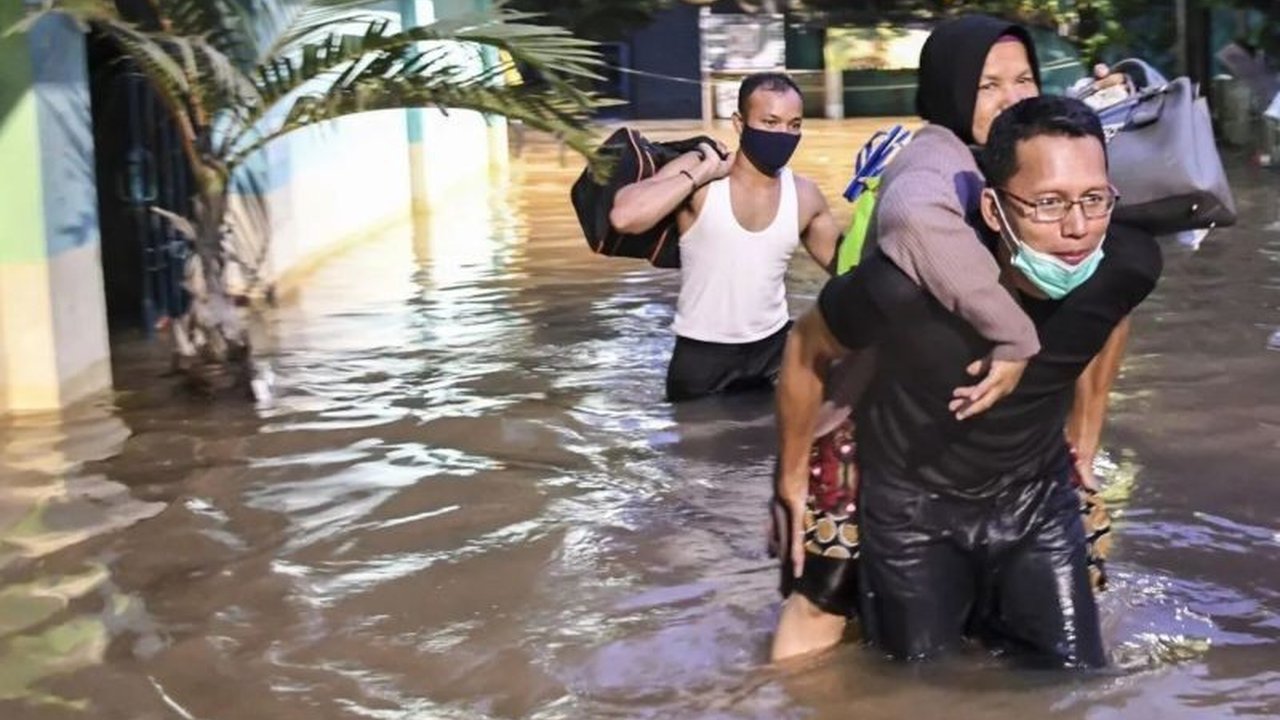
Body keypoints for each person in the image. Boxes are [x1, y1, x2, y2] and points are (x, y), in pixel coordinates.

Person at [773, 94, 1162, 669]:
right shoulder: (902, 287)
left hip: (1036, 501)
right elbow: (805, 348)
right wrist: (789, 478)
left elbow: (1110, 317)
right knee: (920, 687)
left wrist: (1086, 433)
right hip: (913, 510)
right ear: (992, 209)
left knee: (1077, 682)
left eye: (1094, 199)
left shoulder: (1127, 264)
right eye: (1048, 203)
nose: (1077, 228)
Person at [608, 72, 842, 403]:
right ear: (739, 123)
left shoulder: (804, 195)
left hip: (774, 353)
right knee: (698, 436)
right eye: (770, 122)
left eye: (794, 125)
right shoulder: (700, 172)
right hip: (702, 358)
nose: (783, 134)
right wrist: (702, 172)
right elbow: (625, 217)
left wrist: (875, 210)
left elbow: (850, 268)